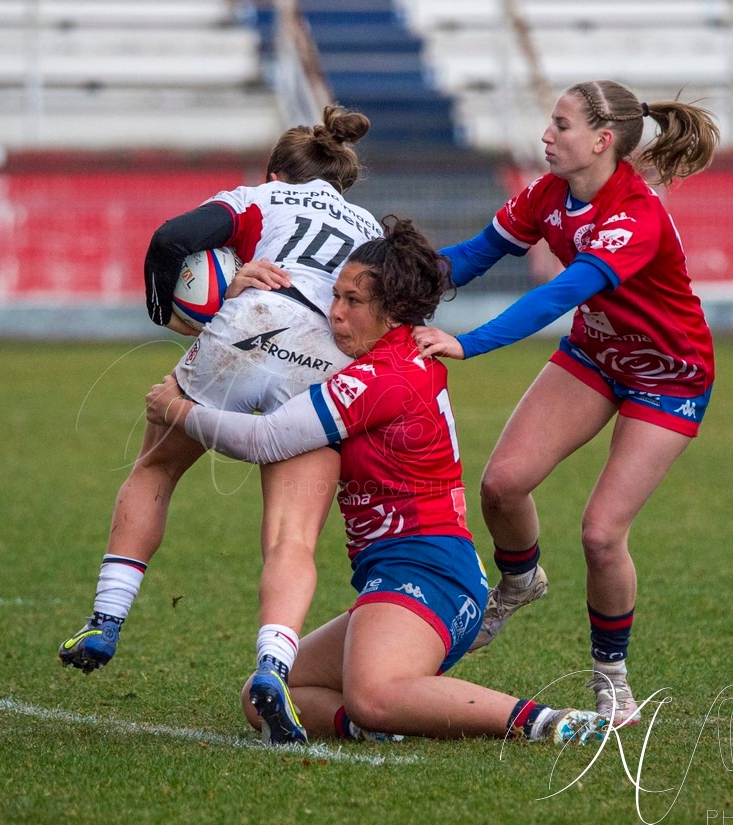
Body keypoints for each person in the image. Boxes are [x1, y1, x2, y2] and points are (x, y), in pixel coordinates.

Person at [145, 218, 606, 745]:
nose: (335, 312)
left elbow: (266, 440)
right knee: (261, 696)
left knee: (373, 693)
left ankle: (548, 722)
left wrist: (178, 409)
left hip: (429, 572)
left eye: (353, 301)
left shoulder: (379, 378)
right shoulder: (398, 355)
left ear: (392, 312)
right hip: (406, 574)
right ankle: (373, 728)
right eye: (335, 296)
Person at [60, 104, 384, 744]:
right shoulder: (368, 226)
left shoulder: (258, 197)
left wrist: (169, 312)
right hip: (326, 355)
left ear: (274, 172)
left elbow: (170, 239)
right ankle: (274, 666)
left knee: (156, 468)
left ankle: (106, 619)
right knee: (291, 538)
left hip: (247, 328)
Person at [412, 80, 720, 727]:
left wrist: (468, 341)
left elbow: (558, 294)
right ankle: (520, 580)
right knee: (501, 485)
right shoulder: (547, 193)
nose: (546, 135)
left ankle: (612, 680)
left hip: (668, 376)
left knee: (601, 535)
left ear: (602, 141)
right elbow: (473, 256)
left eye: (560, 124)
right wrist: (386, 280)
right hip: (596, 356)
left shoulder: (634, 214)